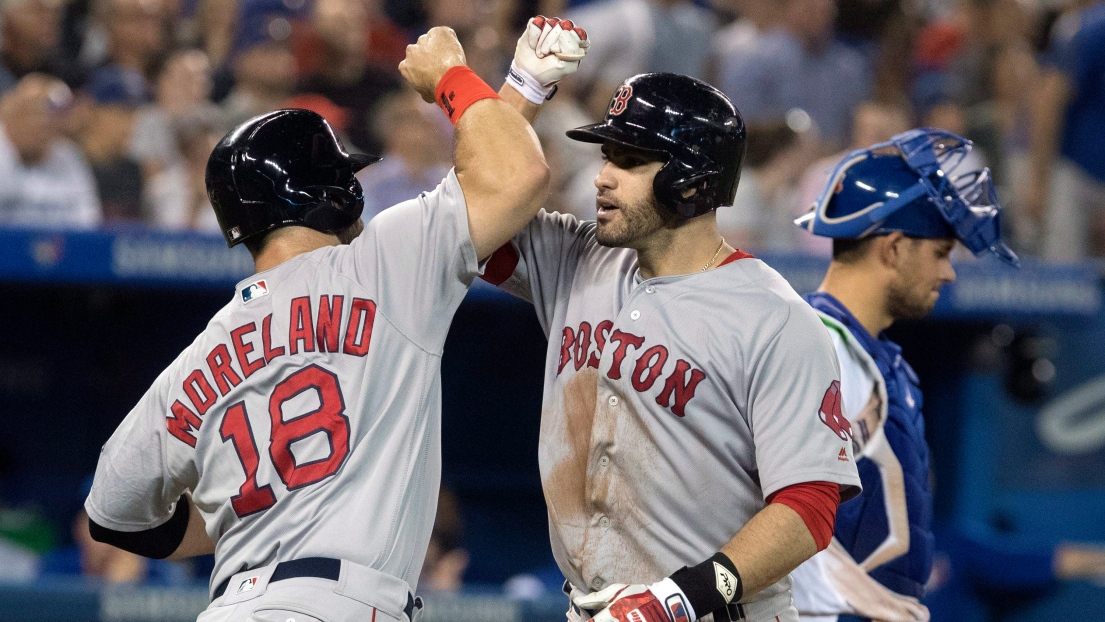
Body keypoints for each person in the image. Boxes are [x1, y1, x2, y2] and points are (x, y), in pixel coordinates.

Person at [83, 19, 587, 622]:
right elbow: (512, 176)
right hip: (341, 604)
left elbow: (112, 512)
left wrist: (243, 517)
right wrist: (459, 76)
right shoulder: (380, 264)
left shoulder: (198, 355)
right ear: (329, 193)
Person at [485, 72, 863, 622]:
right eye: (606, 156)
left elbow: (809, 509)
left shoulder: (776, 318)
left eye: (630, 160)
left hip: (720, 612)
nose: (602, 178)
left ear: (691, 182)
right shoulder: (576, 258)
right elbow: (472, 208)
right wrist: (522, 90)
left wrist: (683, 596)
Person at [787, 128, 1020, 622]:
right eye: (940, 253)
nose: (949, 273)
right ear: (891, 249)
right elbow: (768, 509)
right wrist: (855, 595)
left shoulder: (885, 360)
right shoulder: (811, 347)